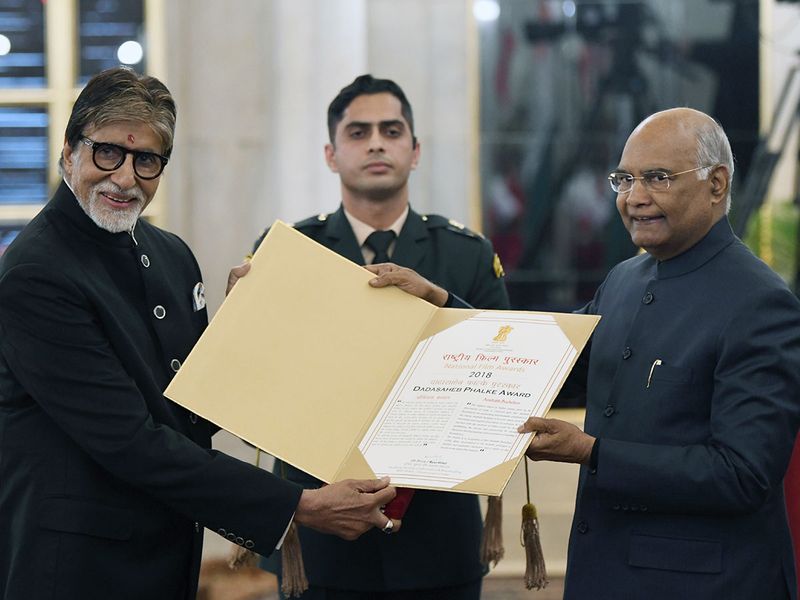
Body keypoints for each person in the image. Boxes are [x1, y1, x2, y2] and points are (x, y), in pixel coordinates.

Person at [0, 67, 397, 600]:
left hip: (165, 554)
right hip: (76, 567)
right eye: (107, 152)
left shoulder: (170, 255)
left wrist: (250, 333)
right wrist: (295, 504)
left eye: (146, 160)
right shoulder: (34, 273)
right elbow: (130, 441)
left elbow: (194, 413)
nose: (124, 177)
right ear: (69, 151)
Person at [519, 107, 800, 599]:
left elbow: (741, 474)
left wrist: (592, 453)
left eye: (658, 178)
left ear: (717, 185)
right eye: (624, 179)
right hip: (604, 574)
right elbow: (551, 363)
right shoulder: (626, 279)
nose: (634, 198)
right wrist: (446, 311)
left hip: (704, 584)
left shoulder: (762, 303)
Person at [253, 74, 510, 599]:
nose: (375, 142)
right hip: (322, 536)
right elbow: (259, 383)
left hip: (437, 535)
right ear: (331, 154)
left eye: (391, 131)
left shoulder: (466, 253)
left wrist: (442, 310)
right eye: (358, 132)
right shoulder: (290, 251)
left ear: (414, 152)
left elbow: (502, 375)